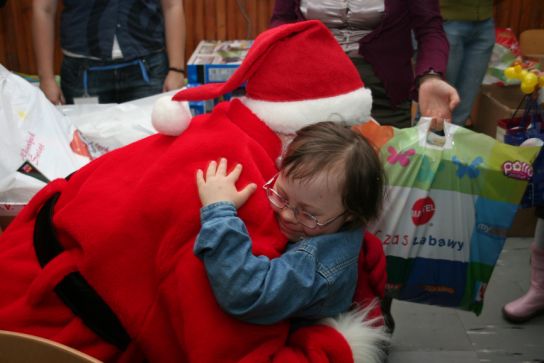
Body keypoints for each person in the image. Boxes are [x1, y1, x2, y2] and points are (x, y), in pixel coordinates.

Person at [0, 21, 390, 363]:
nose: (288, 214)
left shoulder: (229, 131)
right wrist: (336, 347)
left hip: (19, 270)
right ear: (305, 135)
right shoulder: (249, 188)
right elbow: (227, 347)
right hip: (43, 330)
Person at [194, 121, 385, 325]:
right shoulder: (322, 210)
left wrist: (220, 212)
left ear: (350, 215)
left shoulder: (317, 265)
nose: (286, 215)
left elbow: (246, 293)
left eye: (308, 214)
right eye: (282, 195)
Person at [269, 0, 460, 130]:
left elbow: (429, 29)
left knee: (384, 179)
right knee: (314, 180)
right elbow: (282, 20)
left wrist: (430, 76)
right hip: (311, 91)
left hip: (383, 95)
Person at [32, 0, 186, 105]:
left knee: (152, 147)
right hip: (83, 73)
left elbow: (172, 5)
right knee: (90, 149)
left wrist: (177, 70)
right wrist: (46, 78)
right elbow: (43, 8)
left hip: (147, 69)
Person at [440, 0, 495, 127]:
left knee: (464, 105)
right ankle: (423, 145)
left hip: (485, 20)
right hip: (447, 19)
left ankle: (453, 145)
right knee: (438, 101)